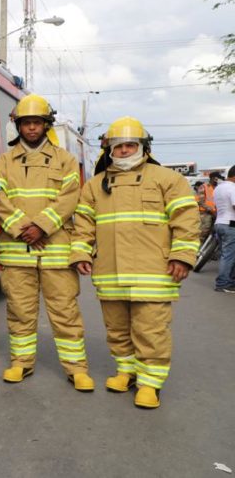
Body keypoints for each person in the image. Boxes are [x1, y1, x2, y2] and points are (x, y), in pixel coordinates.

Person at [69, 116, 200, 409]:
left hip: (154, 272)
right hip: (110, 272)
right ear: (109, 150)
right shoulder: (94, 186)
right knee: (116, 328)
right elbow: (83, 226)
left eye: (131, 145)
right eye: (119, 146)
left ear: (143, 147)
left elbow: (186, 221)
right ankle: (126, 371)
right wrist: (80, 254)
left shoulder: (167, 179)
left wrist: (182, 256)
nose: (125, 151)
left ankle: (150, 383)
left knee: (150, 330)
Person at [0, 94, 94, 392]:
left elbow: (69, 198)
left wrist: (41, 227)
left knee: (65, 312)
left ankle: (76, 368)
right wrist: (24, 229)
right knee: (20, 311)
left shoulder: (65, 160)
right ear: (18, 126)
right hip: (16, 253)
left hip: (55, 251)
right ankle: (21, 363)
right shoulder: (3, 162)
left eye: (37, 122)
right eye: (26, 123)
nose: (32, 128)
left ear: (46, 124)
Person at [212, 165, 235, 293]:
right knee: (229, 256)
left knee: (226, 254)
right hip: (230, 224)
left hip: (219, 223)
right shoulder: (233, 188)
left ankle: (229, 282)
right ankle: (223, 284)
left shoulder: (218, 188)